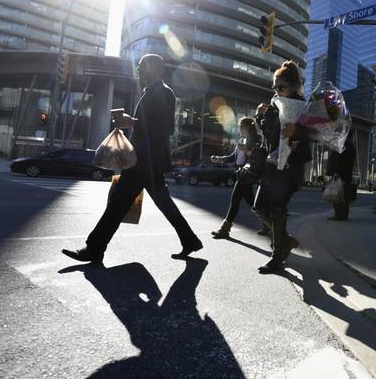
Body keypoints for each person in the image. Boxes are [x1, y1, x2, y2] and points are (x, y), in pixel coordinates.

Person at [62, 54, 203, 264]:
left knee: (120, 203)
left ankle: (94, 249)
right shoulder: (150, 92)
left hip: (148, 161)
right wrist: (128, 122)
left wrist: (133, 121)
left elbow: (167, 128)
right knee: (136, 203)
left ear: (155, 69)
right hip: (141, 160)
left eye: (141, 66)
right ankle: (189, 240)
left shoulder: (164, 92)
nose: (138, 70)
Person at [254, 60, 311, 274]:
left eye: (281, 87)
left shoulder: (303, 107)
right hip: (271, 165)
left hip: (290, 167)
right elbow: (268, 138)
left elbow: (316, 133)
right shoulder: (274, 105)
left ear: (294, 86)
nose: (277, 91)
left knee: (278, 211)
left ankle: (277, 256)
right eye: (274, 88)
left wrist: (296, 131)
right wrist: (261, 116)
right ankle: (285, 242)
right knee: (259, 207)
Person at [210, 117, 269, 238]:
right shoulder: (241, 140)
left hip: (248, 174)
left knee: (235, 201)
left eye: (241, 126)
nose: (240, 128)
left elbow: (259, 158)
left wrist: (247, 151)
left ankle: (224, 229)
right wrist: (220, 159)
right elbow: (233, 157)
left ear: (248, 127)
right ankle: (267, 223)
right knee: (252, 202)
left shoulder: (257, 140)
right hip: (240, 174)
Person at [325, 131, 356, 221]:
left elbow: (339, 160)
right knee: (344, 196)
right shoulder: (351, 145)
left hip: (341, 174)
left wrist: (336, 172)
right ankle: (343, 215)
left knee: (338, 195)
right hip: (346, 174)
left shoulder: (343, 144)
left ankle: (339, 215)